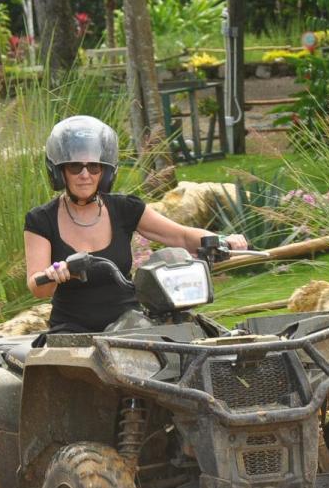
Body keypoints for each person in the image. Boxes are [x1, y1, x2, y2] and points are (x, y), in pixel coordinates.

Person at [24, 115, 247, 335]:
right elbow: (38, 287)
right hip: (72, 333)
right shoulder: (41, 219)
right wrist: (54, 273)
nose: (85, 175)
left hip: (129, 327)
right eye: (75, 167)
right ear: (60, 171)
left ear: (105, 171)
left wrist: (221, 240)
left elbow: (182, 236)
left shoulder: (125, 208)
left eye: (93, 167)